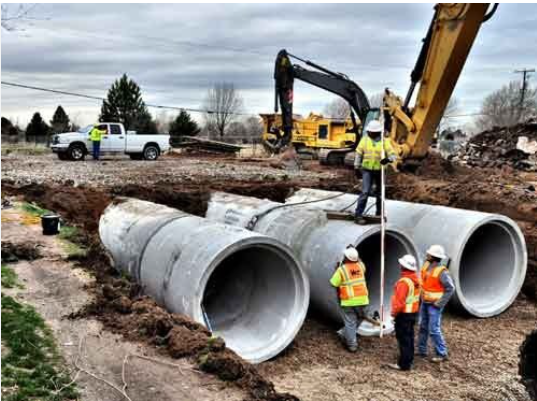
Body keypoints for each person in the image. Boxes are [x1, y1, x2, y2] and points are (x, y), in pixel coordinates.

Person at [417, 244, 455, 363]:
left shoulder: (442, 272)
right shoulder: (426, 266)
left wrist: (439, 303)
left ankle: (442, 353)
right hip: (425, 302)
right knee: (423, 327)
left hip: (434, 305)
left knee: (433, 329)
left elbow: (450, 288)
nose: (427, 254)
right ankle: (422, 350)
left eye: (429, 254)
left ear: (433, 256)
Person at [354, 120, 397, 220]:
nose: (370, 133)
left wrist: (387, 160)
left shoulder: (384, 142)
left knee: (380, 194)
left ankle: (379, 214)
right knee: (365, 192)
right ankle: (358, 214)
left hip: (380, 170)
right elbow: (359, 154)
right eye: (369, 131)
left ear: (378, 132)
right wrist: (356, 167)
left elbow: (393, 155)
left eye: (372, 132)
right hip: (367, 170)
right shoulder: (364, 140)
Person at [329, 245, 369, 352]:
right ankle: (346, 333)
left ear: (346, 258)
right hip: (363, 300)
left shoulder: (342, 270)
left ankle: (352, 344)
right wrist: (354, 251)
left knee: (350, 322)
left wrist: (337, 269)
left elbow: (333, 283)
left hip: (349, 301)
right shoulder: (361, 266)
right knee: (361, 317)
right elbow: (358, 260)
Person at [386, 254, 421, 371]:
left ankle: (404, 364)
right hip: (413, 313)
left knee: (404, 338)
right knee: (409, 337)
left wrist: (393, 314)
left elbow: (399, 302)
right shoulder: (416, 280)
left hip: (404, 315)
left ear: (403, 266)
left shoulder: (404, 282)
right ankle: (409, 359)